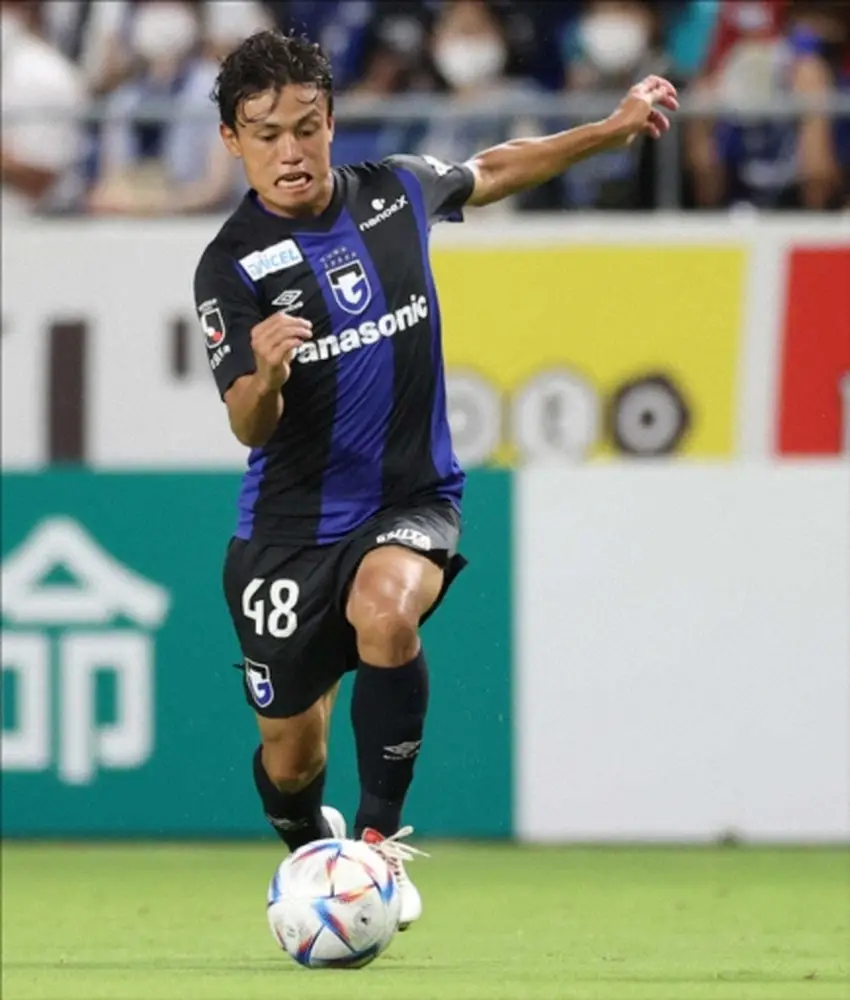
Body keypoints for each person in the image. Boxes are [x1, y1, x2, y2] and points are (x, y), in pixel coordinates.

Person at [193, 29, 676, 929]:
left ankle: (377, 847)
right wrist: (267, 376)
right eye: (266, 135)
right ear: (232, 140)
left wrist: (609, 130)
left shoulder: (395, 192)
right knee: (292, 760)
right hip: (287, 532)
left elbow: (493, 168)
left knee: (387, 612)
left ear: (332, 121)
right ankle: (308, 841)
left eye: (307, 128)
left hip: (411, 497)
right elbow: (246, 423)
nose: (291, 152)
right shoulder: (231, 266)